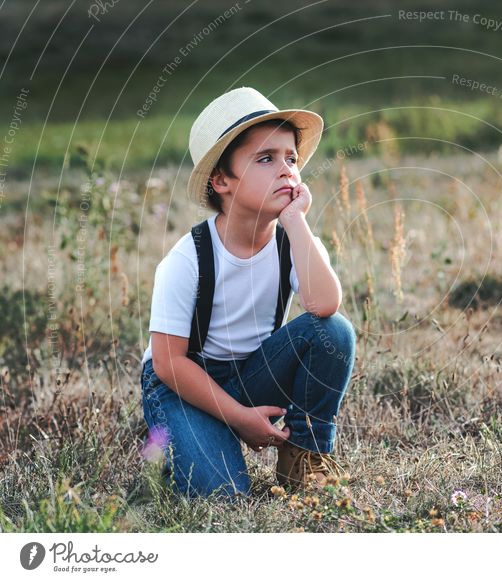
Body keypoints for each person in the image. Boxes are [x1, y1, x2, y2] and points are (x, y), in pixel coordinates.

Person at [139, 87, 356, 499]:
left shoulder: (296, 239)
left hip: (254, 369)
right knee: (222, 493)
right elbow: (168, 363)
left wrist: (295, 222)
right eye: (265, 159)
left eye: (291, 158)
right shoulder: (187, 259)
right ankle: (181, 438)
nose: (286, 170)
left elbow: (325, 306)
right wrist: (238, 418)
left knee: (334, 332)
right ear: (221, 180)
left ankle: (303, 455)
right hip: (185, 382)